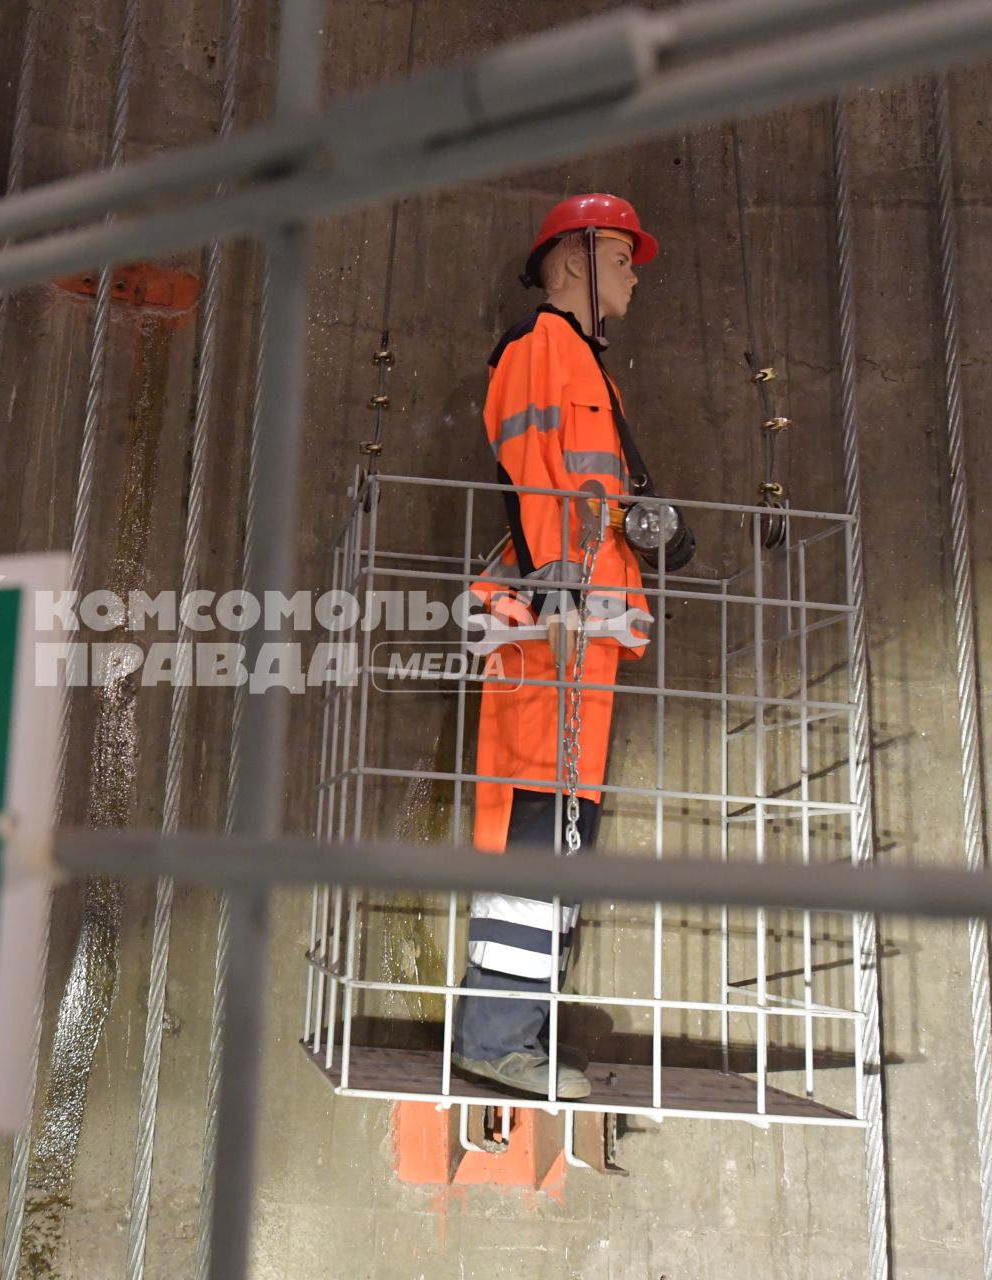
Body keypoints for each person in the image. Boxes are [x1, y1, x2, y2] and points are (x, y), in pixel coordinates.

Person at [451, 194, 665, 1100]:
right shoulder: (548, 352)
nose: (634, 272)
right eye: (622, 254)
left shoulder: (581, 363)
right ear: (572, 259)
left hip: (577, 629)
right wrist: (569, 589)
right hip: (559, 631)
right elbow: (550, 486)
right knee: (541, 830)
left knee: (560, 834)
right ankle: (497, 1034)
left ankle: (512, 1030)